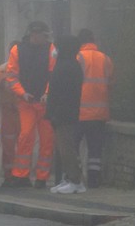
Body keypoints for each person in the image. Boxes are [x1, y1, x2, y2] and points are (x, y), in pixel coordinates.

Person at [3, 20, 57, 188]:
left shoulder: (51, 49)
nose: (39, 38)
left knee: (47, 140)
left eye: (41, 35)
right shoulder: (17, 50)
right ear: (31, 34)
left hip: (44, 104)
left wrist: (47, 94)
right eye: (37, 34)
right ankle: (21, 175)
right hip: (26, 102)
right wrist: (22, 93)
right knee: (25, 136)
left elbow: (53, 75)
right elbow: (11, 76)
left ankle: (42, 177)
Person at [45, 34, 86, 194]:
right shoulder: (66, 65)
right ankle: (69, 178)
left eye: (57, 47)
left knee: (66, 147)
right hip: (62, 113)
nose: (54, 50)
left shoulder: (67, 67)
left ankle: (75, 181)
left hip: (64, 114)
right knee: (63, 147)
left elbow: (63, 93)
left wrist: (55, 112)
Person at [76, 28, 114, 188]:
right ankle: (94, 179)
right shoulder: (106, 59)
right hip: (99, 113)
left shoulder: (77, 57)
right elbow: (111, 83)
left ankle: (75, 177)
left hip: (80, 112)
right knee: (95, 149)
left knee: (74, 146)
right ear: (93, 41)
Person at [0, 44, 22, 187]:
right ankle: (11, 175)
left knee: (20, 144)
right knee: (11, 144)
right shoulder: (3, 68)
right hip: (12, 110)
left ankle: (17, 174)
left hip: (20, 110)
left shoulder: (5, 68)